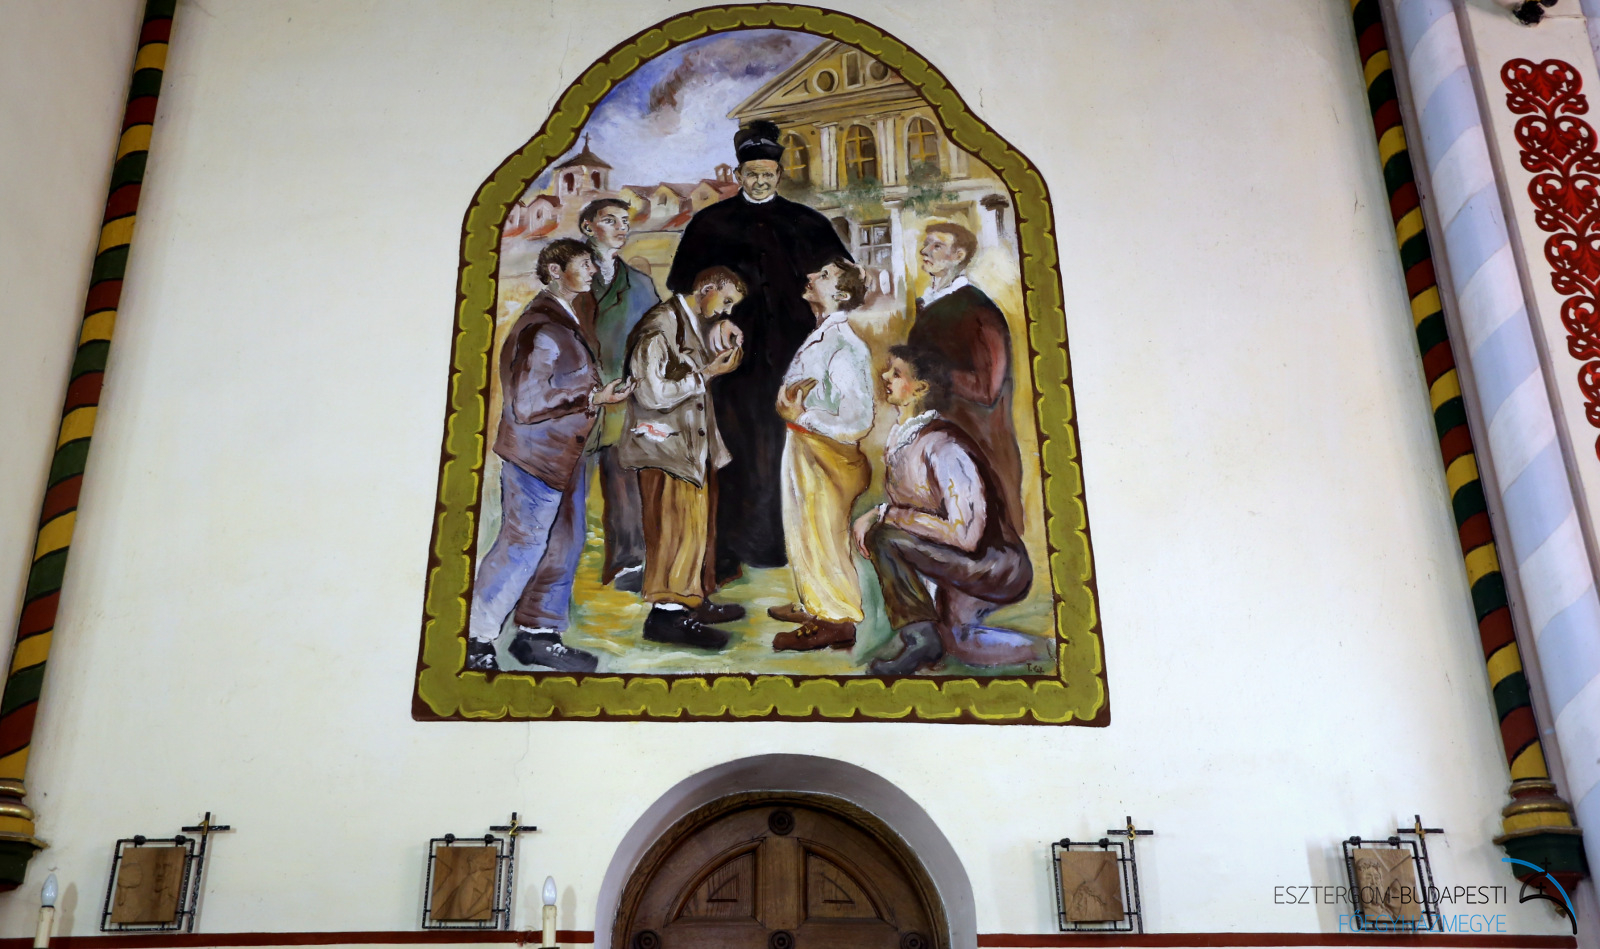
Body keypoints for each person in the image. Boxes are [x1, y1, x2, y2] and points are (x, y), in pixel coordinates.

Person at [666, 120, 853, 579]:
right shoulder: (709, 223)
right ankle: (729, 548)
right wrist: (715, 320)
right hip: (732, 361)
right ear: (738, 174)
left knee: (785, 443)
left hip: (795, 356)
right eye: (752, 174)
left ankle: (781, 545)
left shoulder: (808, 223)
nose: (760, 181)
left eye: (768, 173)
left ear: (779, 174)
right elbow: (682, 288)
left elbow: (843, 281)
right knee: (733, 444)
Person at [467, 238, 631, 673]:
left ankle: (538, 636)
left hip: (566, 453)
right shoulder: (542, 326)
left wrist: (597, 397)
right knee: (522, 546)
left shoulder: (568, 316)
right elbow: (527, 402)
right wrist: (592, 396)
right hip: (536, 457)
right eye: (584, 263)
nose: (593, 270)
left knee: (564, 543)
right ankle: (477, 639)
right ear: (556, 270)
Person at [852, 345, 1031, 675]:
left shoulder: (944, 446)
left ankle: (921, 639)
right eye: (888, 370)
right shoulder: (904, 441)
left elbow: (965, 535)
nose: (885, 376)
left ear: (920, 388)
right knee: (958, 640)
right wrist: (885, 515)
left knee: (885, 536)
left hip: (993, 565)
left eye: (897, 373)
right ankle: (924, 635)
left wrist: (885, 514)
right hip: (951, 558)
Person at [616, 267, 749, 649]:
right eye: (725, 302)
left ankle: (692, 601)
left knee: (694, 529)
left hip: (689, 448)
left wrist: (719, 334)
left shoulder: (688, 321)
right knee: (674, 531)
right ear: (705, 288)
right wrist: (706, 374)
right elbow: (650, 394)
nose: (726, 311)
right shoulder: (659, 328)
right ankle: (667, 617)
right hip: (665, 449)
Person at [770, 259, 875, 652]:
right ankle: (814, 604)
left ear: (841, 294)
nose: (812, 276)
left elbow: (858, 419)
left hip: (829, 455)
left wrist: (803, 417)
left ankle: (836, 620)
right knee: (803, 530)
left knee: (824, 535)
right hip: (806, 446)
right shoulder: (821, 335)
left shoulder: (845, 346)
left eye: (825, 276)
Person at [906, 222, 1025, 532]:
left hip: (976, 438)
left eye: (937, 246)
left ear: (958, 256)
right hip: (939, 434)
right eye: (926, 244)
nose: (925, 251)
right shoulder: (928, 305)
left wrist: (928, 373)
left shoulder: (978, 310)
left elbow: (987, 389)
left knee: (980, 527)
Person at [580, 197, 660, 593]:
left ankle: (630, 564)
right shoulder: (572, 278)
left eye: (625, 221)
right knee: (568, 484)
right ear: (588, 227)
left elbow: (657, 338)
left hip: (624, 398)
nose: (621, 228)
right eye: (610, 220)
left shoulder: (640, 285)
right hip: (578, 399)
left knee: (626, 485)